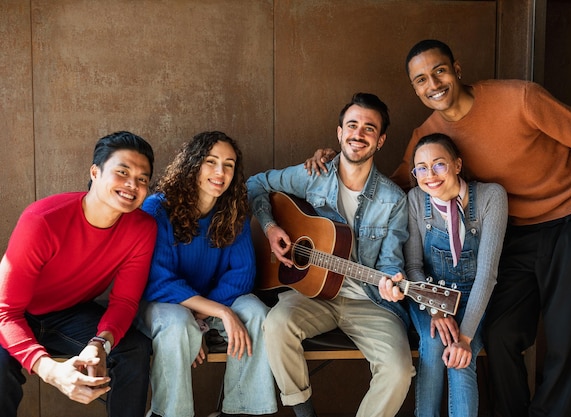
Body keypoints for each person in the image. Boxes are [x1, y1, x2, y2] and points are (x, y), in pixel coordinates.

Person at [305, 40, 571, 417]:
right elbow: (398, 183)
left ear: (457, 68)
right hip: (514, 235)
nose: (432, 84)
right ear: (415, 88)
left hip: (569, 221)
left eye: (438, 71)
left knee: (565, 340)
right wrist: (339, 162)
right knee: (503, 336)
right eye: (420, 80)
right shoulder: (428, 134)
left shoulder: (521, 98)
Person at [246, 92, 414, 417]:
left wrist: (392, 282)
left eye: (369, 128)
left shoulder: (394, 200)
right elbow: (256, 184)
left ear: (381, 140)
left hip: (368, 300)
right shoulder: (313, 174)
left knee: (398, 371)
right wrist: (269, 228)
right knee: (276, 325)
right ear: (339, 133)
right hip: (313, 295)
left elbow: (391, 261)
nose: (358, 134)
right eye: (352, 125)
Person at [0, 131, 157, 417]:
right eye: (122, 172)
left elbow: (123, 302)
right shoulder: (42, 221)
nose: (132, 184)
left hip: (69, 313)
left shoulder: (142, 228)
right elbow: (5, 312)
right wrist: (50, 371)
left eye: (142, 179)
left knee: (134, 348)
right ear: (95, 172)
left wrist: (100, 343)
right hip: (13, 314)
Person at [140, 131, 277, 417]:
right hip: (162, 305)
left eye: (229, 164)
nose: (220, 172)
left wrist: (202, 318)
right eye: (211, 162)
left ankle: (241, 410)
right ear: (192, 164)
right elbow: (158, 282)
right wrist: (220, 313)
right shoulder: (157, 209)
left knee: (256, 313)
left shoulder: (233, 211)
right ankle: (169, 413)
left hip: (209, 303)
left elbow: (241, 276)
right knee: (177, 323)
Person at [381, 133, 507, 416]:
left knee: (461, 358)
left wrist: (464, 338)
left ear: (457, 164)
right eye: (421, 168)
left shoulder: (491, 197)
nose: (430, 176)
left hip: (473, 294)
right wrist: (437, 309)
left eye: (439, 164)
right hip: (427, 292)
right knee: (434, 341)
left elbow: (487, 275)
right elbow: (413, 267)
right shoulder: (415, 200)